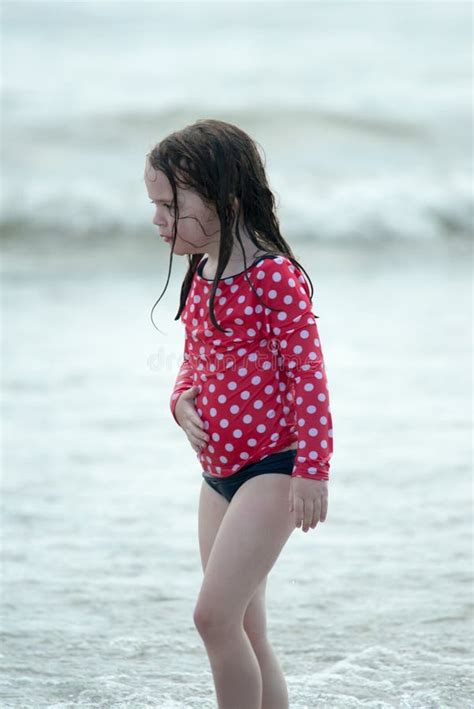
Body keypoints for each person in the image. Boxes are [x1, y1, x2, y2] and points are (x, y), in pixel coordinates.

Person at [144, 119, 334, 709]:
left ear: (223, 198)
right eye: (155, 206)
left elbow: (309, 377)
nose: (158, 221)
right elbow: (193, 359)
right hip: (218, 474)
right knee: (245, 628)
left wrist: (313, 469)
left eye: (170, 205)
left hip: (274, 469)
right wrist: (178, 401)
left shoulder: (273, 277)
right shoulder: (201, 274)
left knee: (212, 618)